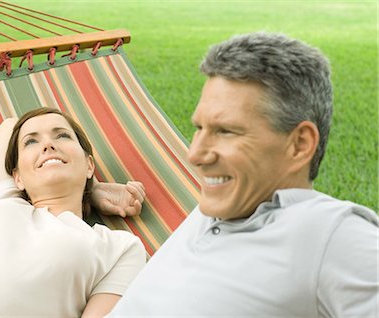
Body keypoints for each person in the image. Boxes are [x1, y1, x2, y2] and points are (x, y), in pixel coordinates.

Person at [108, 32, 378, 317]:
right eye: (199, 128)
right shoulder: (219, 205)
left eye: (225, 131)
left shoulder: (330, 233)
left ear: (299, 144)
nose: (195, 155)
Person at [0, 107, 147, 317]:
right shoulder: (1, 199)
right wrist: (93, 190)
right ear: (17, 177)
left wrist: (83, 185)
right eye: (31, 141)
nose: (48, 144)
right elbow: (10, 125)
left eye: (62, 136)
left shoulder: (120, 248)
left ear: (90, 165)